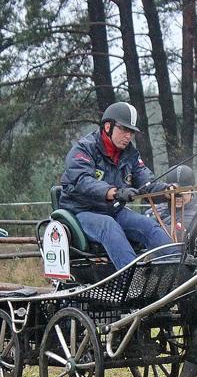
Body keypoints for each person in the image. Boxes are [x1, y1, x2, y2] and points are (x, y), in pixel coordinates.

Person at [59, 101, 176, 270]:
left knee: (148, 225)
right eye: (124, 129)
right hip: (81, 212)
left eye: (132, 132)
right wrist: (113, 192)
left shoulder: (130, 154)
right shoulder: (84, 149)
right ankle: (132, 277)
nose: (128, 136)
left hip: (113, 210)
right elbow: (81, 181)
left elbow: (147, 184)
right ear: (108, 126)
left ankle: (180, 272)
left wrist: (167, 191)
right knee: (109, 226)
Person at [146, 164, 197, 241]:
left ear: (192, 191)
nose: (178, 196)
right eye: (174, 191)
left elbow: (177, 236)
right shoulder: (154, 211)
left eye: (184, 190)